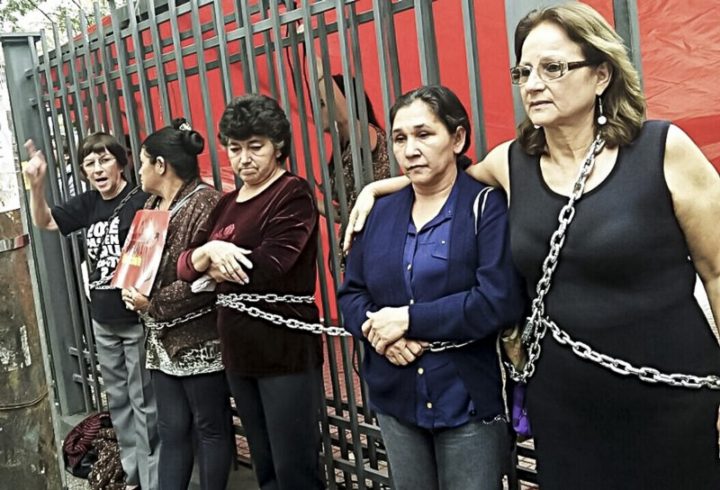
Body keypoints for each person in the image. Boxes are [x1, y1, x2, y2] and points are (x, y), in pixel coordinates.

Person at [342, 3, 720, 489]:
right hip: (564, 404)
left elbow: (715, 272)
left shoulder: (663, 149)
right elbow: (442, 179)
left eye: (553, 68)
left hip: (669, 393)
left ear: (601, 74)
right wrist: (378, 188)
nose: (533, 84)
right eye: (524, 70)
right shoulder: (512, 163)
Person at [338, 85, 525, 490]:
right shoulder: (380, 212)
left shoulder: (485, 206)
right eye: (400, 138)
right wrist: (381, 334)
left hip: (467, 398)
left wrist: (408, 320)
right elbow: (350, 295)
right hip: (396, 393)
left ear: (457, 138)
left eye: (424, 134)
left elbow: (497, 300)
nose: (410, 149)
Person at [177, 94, 325, 489]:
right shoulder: (226, 203)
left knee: (295, 469)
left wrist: (213, 262)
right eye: (235, 148)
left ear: (277, 145)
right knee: (266, 466)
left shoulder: (292, 193)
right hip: (239, 350)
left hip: (285, 349)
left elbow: (272, 264)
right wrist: (209, 252)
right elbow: (183, 265)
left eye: (255, 147)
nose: (244, 158)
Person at [23, 133, 159, 490]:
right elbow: (45, 222)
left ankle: (153, 479)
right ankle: (133, 477)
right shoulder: (88, 203)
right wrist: (37, 187)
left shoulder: (143, 201)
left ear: (121, 162)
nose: (98, 169)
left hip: (136, 319)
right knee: (119, 403)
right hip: (103, 319)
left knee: (145, 402)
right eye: (90, 163)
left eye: (104, 160)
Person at [121, 119, 234, 490]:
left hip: (200, 338)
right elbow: (140, 259)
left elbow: (206, 282)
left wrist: (151, 302)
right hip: (161, 340)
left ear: (160, 165)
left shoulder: (207, 203)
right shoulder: (152, 204)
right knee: (172, 429)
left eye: (141, 162)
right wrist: (129, 283)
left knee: (210, 428)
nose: (137, 170)